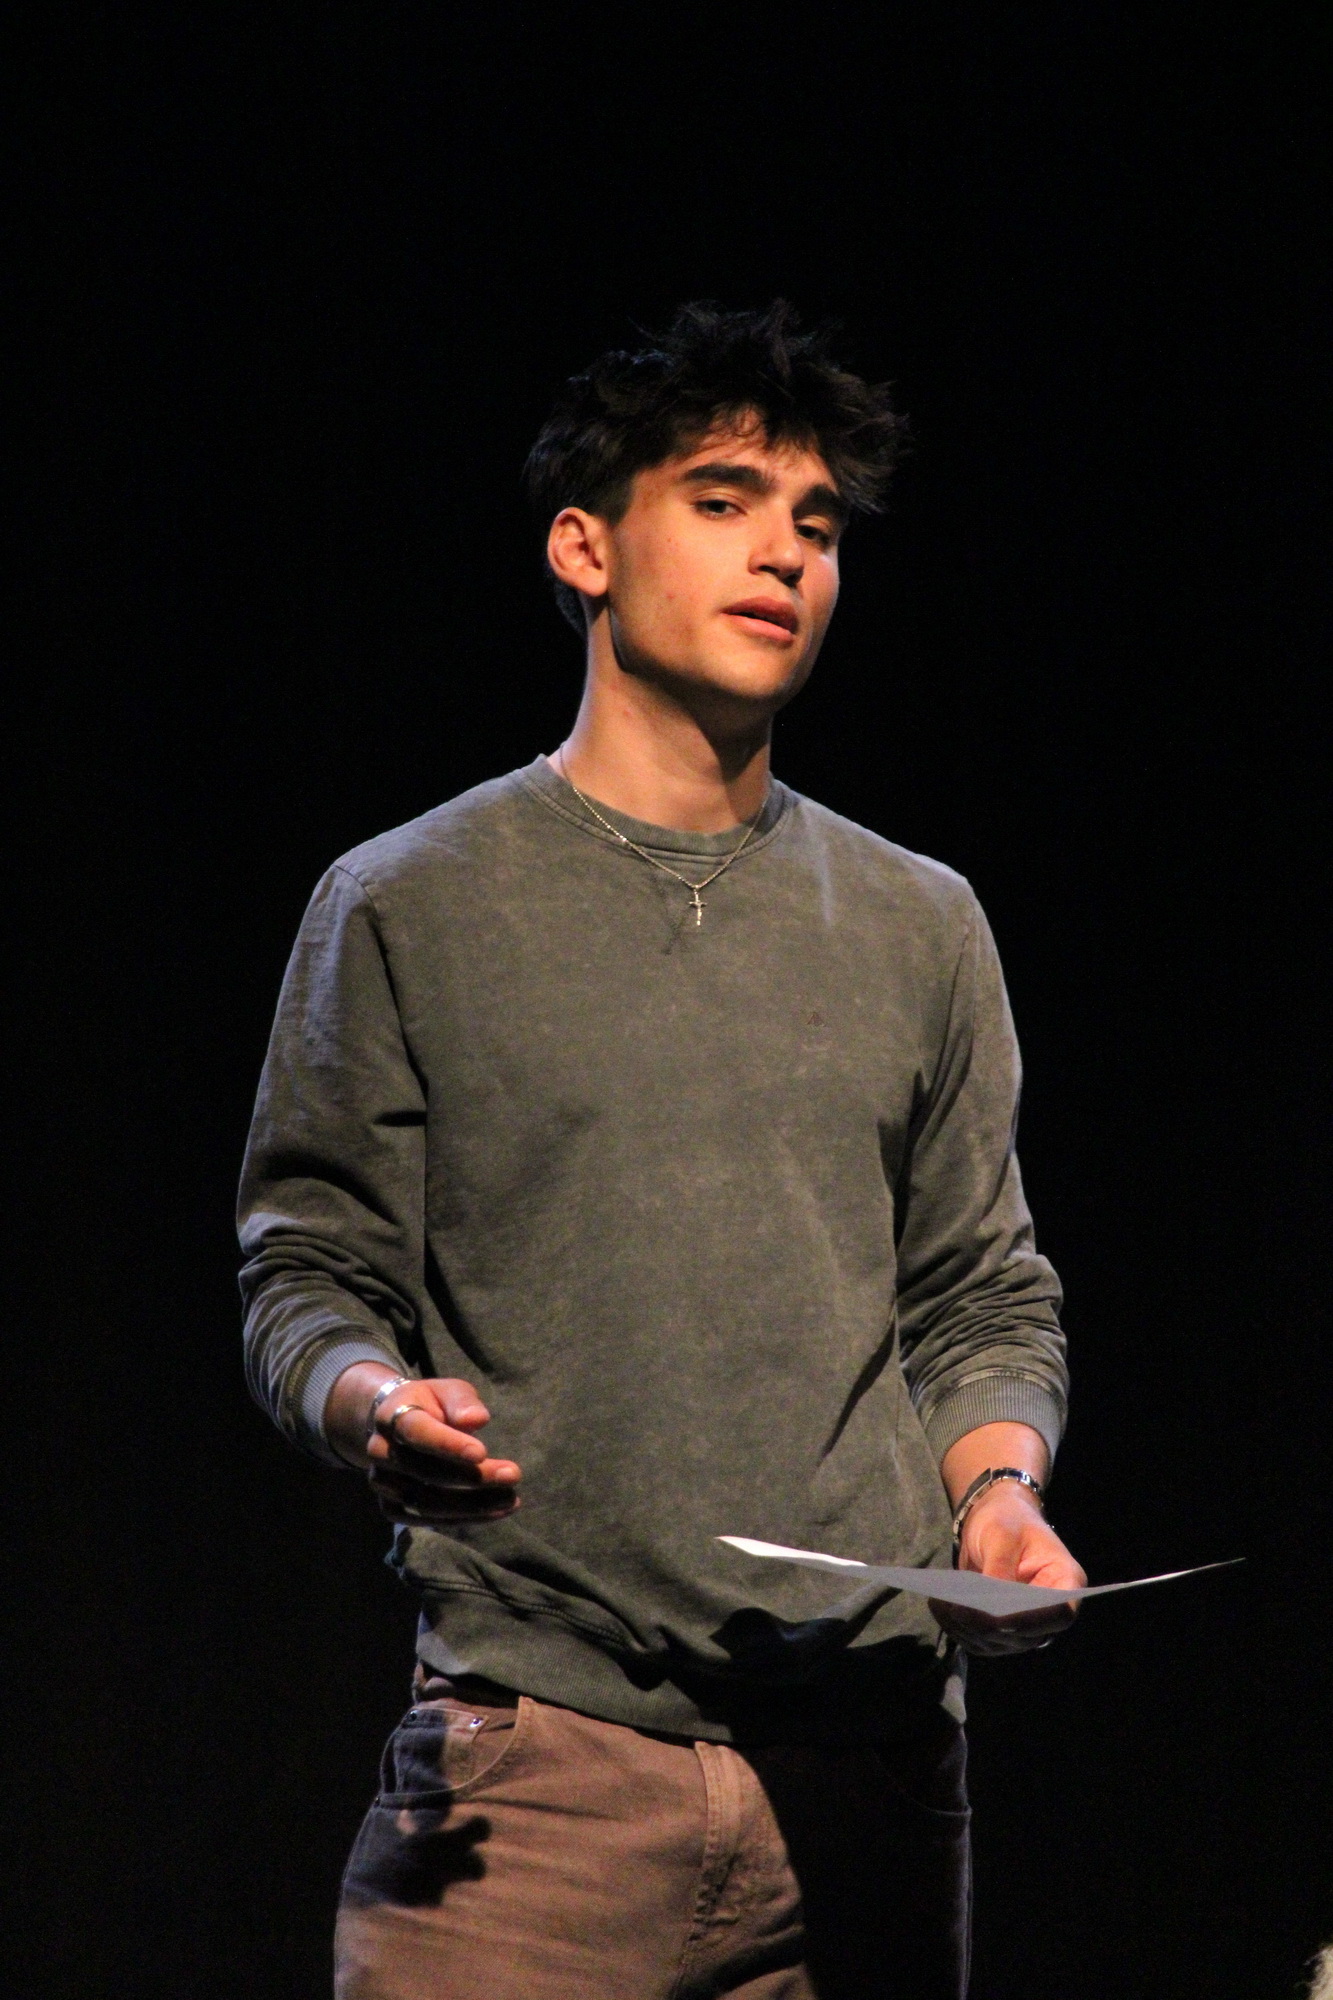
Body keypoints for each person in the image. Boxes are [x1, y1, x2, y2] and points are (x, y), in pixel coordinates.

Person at [239, 300, 1086, 1999]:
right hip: (539, 1775)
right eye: (720, 501)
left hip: (867, 1778)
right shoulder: (409, 901)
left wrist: (997, 1496)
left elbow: (977, 1292)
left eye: (816, 525)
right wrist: (374, 1403)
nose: (783, 553)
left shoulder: (921, 922)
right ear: (585, 548)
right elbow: (307, 1271)